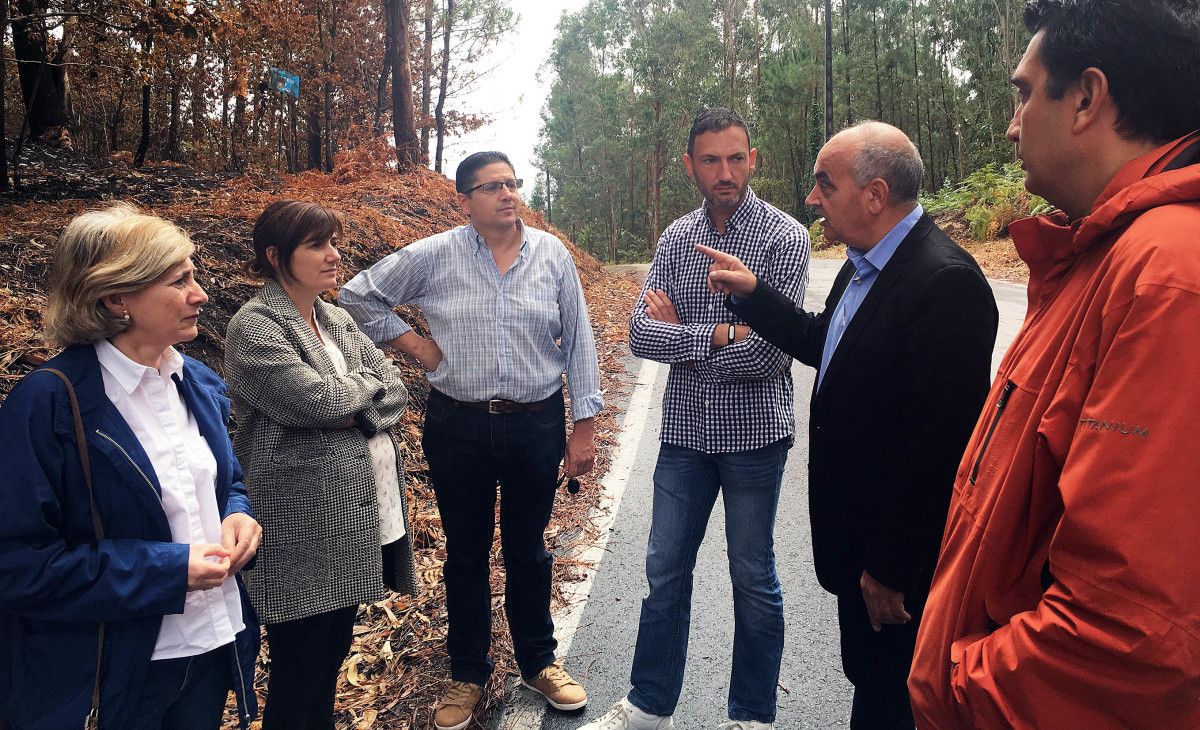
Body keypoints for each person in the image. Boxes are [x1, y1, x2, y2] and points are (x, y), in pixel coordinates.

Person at [908, 1, 1200, 727]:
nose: (1011, 124)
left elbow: (1130, 633)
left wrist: (958, 683)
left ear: (1088, 100)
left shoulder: (1164, 272)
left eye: (1024, 93)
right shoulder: (1097, 257)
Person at [698, 121, 998, 728]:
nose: (812, 198)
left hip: (895, 567)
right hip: (857, 544)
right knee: (870, 678)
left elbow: (935, 449)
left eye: (823, 184)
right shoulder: (864, 265)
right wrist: (754, 293)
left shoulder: (945, 283)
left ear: (874, 195)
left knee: (898, 693)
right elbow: (823, 342)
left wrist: (890, 569)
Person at [339, 150, 603, 730]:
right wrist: (416, 346)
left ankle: (538, 660)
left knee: (528, 547)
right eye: (491, 187)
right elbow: (358, 294)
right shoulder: (436, 256)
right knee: (465, 551)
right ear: (464, 201)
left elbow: (580, 338)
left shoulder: (551, 255)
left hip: (536, 420)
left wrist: (583, 426)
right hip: (458, 424)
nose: (507, 194)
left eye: (512, 183)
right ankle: (467, 671)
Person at [581, 107, 810, 730]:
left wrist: (682, 331)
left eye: (736, 158)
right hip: (684, 434)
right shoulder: (677, 239)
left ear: (753, 159)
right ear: (691, 166)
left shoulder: (785, 238)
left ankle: (752, 715)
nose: (725, 171)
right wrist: (714, 335)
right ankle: (648, 704)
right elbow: (640, 335)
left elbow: (768, 354)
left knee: (753, 578)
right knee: (664, 573)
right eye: (711, 160)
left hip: (756, 439)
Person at [0, 204, 261, 729]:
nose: (201, 294)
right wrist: (168, 570)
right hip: (111, 676)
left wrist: (237, 514)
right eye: (178, 279)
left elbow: (223, 481)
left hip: (211, 649)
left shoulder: (196, 383)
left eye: (195, 274)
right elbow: (17, 566)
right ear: (116, 297)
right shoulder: (48, 405)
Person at [223, 200, 417, 730]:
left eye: (334, 242)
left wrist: (355, 401)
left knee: (330, 653)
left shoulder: (333, 317)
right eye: (318, 245)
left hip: (358, 516)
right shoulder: (255, 325)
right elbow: (314, 401)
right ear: (276, 256)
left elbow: (394, 391)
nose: (335, 256)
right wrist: (357, 401)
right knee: (299, 665)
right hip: (301, 525)